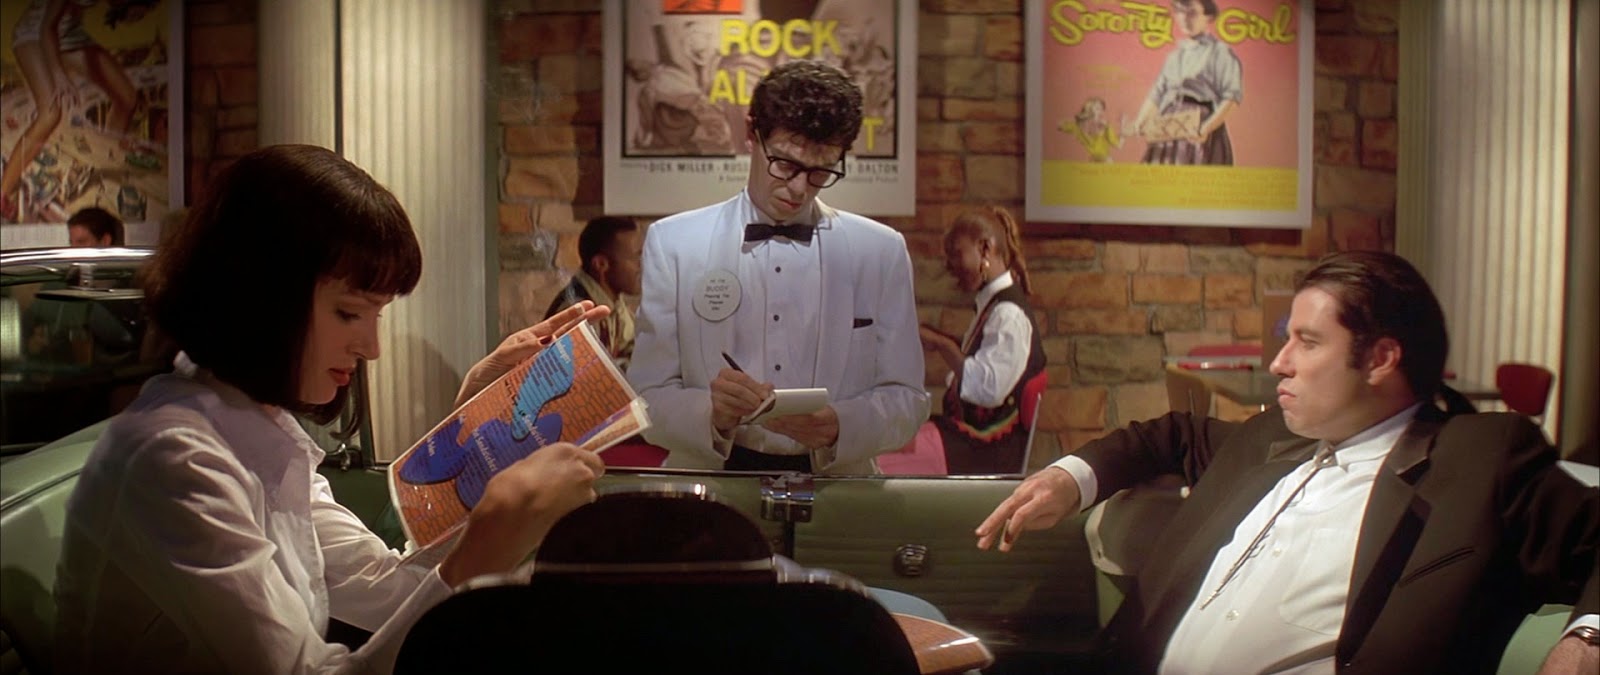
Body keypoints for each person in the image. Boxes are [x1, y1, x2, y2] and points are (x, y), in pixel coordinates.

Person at [52, 144, 610, 674]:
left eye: (377, 316)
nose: (372, 347)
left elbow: (385, 584)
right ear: (261, 299)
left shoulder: (258, 426)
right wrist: (488, 543)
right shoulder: (174, 457)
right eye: (349, 314)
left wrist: (476, 425)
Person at [975, 250, 1598, 673]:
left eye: (1307, 342)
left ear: (1380, 359)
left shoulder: (1478, 458)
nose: (1279, 363)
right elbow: (1171, 434)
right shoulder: (1271, 436)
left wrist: (1586, 640)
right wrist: (1070, 477)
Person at [627, 60, 928, 474]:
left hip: (838, 489)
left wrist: (841, 426)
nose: (799, 188)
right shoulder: (675, 243)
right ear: (751, 134)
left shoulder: (881, 251)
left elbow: (908, 398)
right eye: (785, 164)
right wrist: (711, 413)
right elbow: (645, 397)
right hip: (710, 485)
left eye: (820, 172)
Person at [918, 206, 1045, 474]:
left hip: (988, 450)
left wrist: (943, 345)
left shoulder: (1008, 314)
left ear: (985, 249)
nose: (950, 266)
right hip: (974, 443)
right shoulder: (993, 307)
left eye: (956, 254)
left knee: (892, 454)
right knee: (899, 439)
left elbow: (988, 389)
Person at [1, 0, 155, 220]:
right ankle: (3, 191)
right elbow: (47, 29)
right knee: (50, 113)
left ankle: (104, 160)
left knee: (127, 98)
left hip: (69, 34)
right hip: (36, 34)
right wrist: (58, 74)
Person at [1121, 0, 1242, 165]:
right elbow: (1158, 92)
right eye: (1180, 11)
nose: (1184, 18)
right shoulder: (1175, 56)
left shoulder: (1220, 52)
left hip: (1200, 124)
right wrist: (1141, 120)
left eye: (1192, 13)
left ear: (1208, 16)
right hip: (1169, 124)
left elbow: (1231, 97)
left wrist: (1206, 128)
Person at [543, 215, 642, 370]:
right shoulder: (578, 312)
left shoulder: (612, 301)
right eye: (635, 257)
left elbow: (634, 345)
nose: (641, 265)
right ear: (601, 264)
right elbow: (579, 377)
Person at [1059, 97, 1124, 163]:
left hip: (1106, 160)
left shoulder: (1106, 126)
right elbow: (1062, 126)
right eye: (1096, 106)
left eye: (1101, 107)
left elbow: (1118, 145)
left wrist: (1123, 129)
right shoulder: (1080, 125)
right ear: (1090, 108)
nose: (1100, 108)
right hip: (1092, 160)